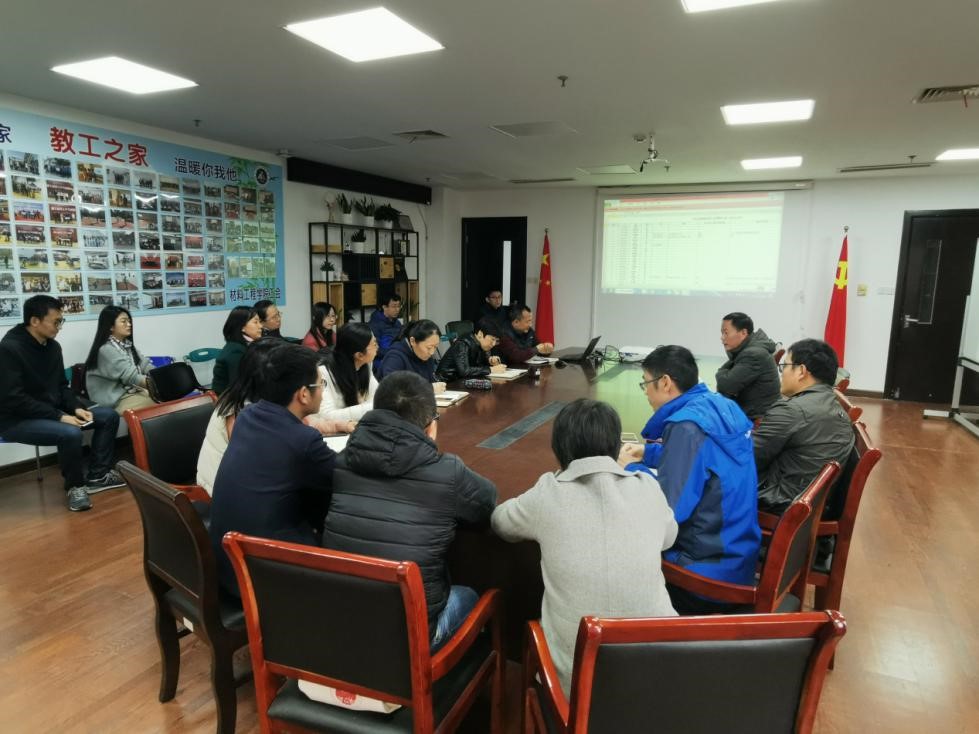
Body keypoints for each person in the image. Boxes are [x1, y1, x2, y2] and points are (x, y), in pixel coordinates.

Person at [492, 399, 677, 694]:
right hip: (659, 677)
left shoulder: (549, 493)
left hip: (575, 689)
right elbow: (669, 537)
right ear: (616, 445)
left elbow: (500, 522)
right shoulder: (647, 487)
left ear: (559, 448)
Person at [321, 371, 497, 648]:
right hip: (409, 641)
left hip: (342, 620)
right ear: (431, 427)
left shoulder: (343, 461)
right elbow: (488, 502)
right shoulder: (447, 472)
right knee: (469, 596)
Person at [619, 345, 760, 615]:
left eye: (645, 383)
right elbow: (707, 458)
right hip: (740, 558)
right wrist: (648, 453)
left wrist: (632, 468)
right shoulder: (724, 405)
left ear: (665, 382)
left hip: (705, 573)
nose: (645, 392)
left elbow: (669, 512)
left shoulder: (686, 426)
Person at [208, 344, 338, 596]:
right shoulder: (303, 440)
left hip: (227, 563)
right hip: (263, 578)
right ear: (303, 394)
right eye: (321, 384)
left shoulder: (248, 416)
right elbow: (344, 477)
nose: (323, 392)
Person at [0, 295, 124, 512]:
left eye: (61, 321)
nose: (60, 326)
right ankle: (75, 486)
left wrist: (76, 407)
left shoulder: (53, 347)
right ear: (35, 321)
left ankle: (98, 475)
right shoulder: (9, 349)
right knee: (70, 433)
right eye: (56, 321)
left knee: (108, 416)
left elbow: (61, 386)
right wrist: (60, 416)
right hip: (15, 419)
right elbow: (14, 399)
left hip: (49, 412)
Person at [754, 339, 855, 514]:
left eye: (784, 366)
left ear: (801, 371)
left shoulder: (792, 411)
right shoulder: (837, 410)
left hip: (780, 502)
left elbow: (749, 457)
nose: (782, 373)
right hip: (811, 500)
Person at [196, 338, 284, 495]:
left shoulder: (251, 395)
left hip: (239, 482)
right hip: (221, 491)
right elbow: (250, 459)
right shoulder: (239, 408)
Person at [83, 306, 156, 414]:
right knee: (155, 402)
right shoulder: (106, 349)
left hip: (129, 393)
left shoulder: (127, 345)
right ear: (111, 326)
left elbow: (145, 365)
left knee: (162, 397)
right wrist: (158, 383)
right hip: (113, 401)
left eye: (129, 321)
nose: (129, 324)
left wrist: (160, 375)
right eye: (124, 321)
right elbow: (132, 377)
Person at [715, 312, 781, 421]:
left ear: (743, 333)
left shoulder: (753, 354)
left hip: (757, 419)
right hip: (756, 412)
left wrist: (720, 371)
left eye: (726, 333)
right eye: (722, 333)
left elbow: (725, 386)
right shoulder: (751, 349)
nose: (722, 338)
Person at [315, 322, 379, 423]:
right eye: (374, 344)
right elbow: (326, 416)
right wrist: (373, 407)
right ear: (359, 355)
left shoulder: (365, 364)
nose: (378, 347)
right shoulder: (323, 373)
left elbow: (377, 396)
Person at [376, 319, 446, 392]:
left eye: (435, 347)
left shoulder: (426, 356)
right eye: (429, 347)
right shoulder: (395, 357)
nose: (432, 352)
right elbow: (392, 387)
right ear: (413, 341)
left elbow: (430, 382)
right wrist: (429, 388)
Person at [436, 317, 506, 382]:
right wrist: (491, 369)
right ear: (480, 334)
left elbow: (477, 365)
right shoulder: (463, 343)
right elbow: (464, 371)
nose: (493, 344)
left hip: (461, 381)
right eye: (492, 339)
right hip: (447, 383)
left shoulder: (481, 344)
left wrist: (490, 361)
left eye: (496, 340)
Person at [211, 306, 262, 394]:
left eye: (260, 322)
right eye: (255, 322)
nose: (260, 326)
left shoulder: (247, 345)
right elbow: (238, 387)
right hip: (228, 398)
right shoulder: (236, 351)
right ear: (242, 327)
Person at [368, 293, 403, 361]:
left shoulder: (397, 323)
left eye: (398, 306)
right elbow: (375, 349)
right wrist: (394, 353)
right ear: (384, 307)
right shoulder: (374, 324)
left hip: (397, 356)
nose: (397, 309)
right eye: (394, 306)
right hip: (382, 360)